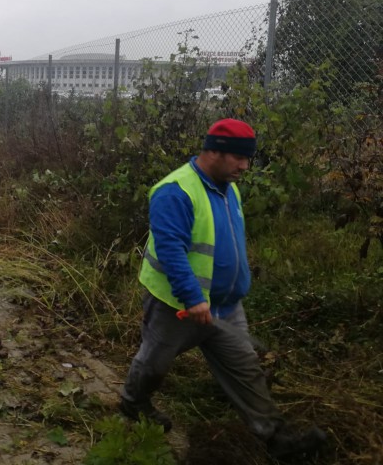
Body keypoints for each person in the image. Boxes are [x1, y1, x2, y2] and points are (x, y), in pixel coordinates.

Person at [119, 118, 326, 460]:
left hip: (225, 306)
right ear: (212, 150)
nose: (245, 166)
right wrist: (193, 298)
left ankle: (276, 439)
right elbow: (171, 250)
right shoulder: (175, 191)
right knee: (155, 363)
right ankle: (133, 401)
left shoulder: (229, 187)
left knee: (246, 368)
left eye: (248, 158)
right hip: (178, 306)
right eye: (238, 158)